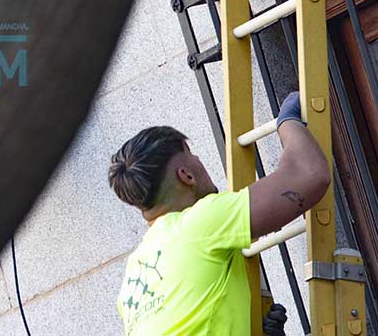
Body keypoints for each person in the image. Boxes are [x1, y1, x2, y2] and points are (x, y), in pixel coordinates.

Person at [108, 92, 329, 335]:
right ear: (186, 175)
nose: (198, 159)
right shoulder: (199, 223)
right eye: (191, 154)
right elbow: (309, 175)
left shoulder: (135, 272)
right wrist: (288, 120)